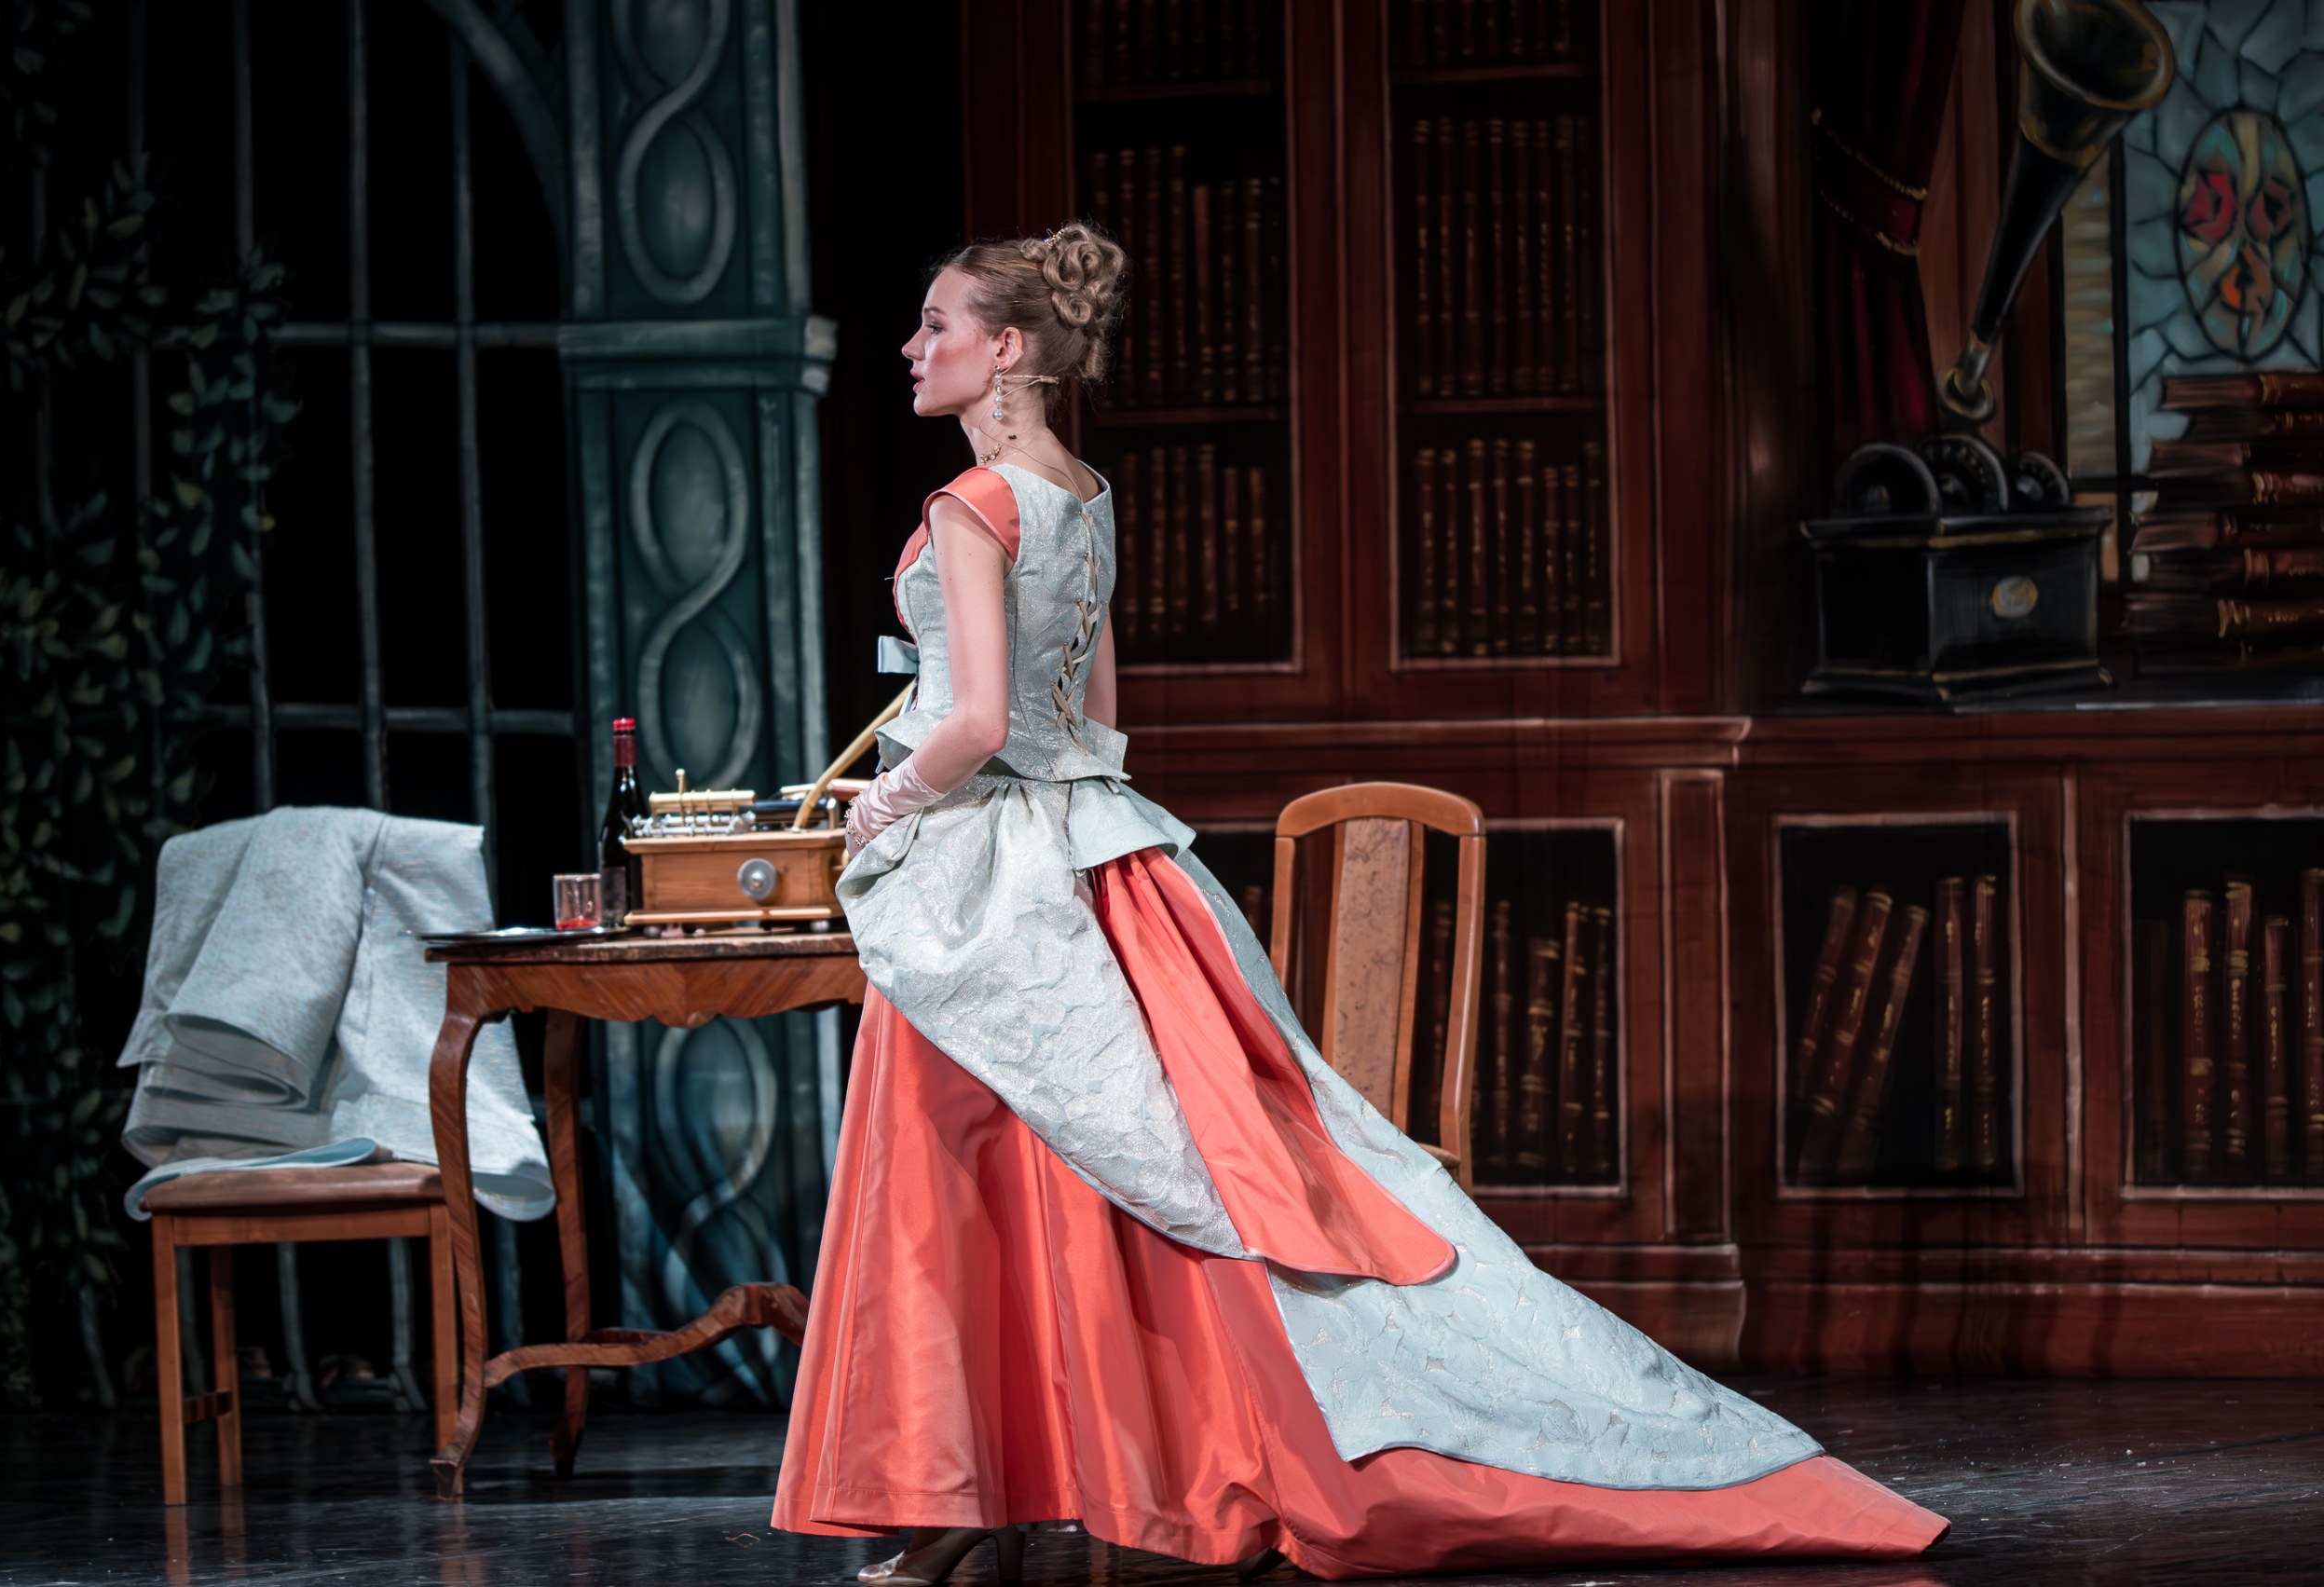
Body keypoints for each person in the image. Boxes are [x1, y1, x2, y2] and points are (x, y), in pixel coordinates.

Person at [770, 223, 1948, 1584]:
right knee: (1126, 1165)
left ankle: (967, 1492)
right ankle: (1044, 1483)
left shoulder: (971, 506)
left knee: (966, 1173)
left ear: (1011, 348)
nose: (913, 347)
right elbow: (1099, 716)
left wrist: (883, 800)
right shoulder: (1082, 493)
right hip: (1103, 856)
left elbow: (978, 720)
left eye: (937, 325)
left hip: (994, 872)